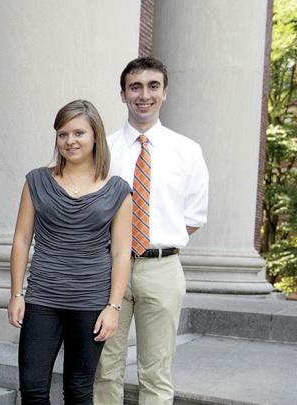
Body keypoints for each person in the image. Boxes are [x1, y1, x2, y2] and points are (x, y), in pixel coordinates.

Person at [94, 57, 209, 405]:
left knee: (156, 373)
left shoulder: (187, 151)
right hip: (108, 269)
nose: (144, 95)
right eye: (136, 87)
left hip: (162, 268)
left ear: (165, 92)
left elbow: (192, 217)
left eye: (153, 86)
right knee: (105, 369)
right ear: (123, 94)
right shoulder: (104, 150)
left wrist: (153, 243)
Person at [7, 99, 132, 405]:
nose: (70, 141)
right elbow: (22, 240)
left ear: (95, 137)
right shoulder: (36, 181)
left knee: (78, 391)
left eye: (78, 133)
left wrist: (113, 307)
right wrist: (16, 294)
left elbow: (120, 252)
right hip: (41, 299)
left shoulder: (118, 189)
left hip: (90, 302)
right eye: (63, 134)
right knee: (33, 389)